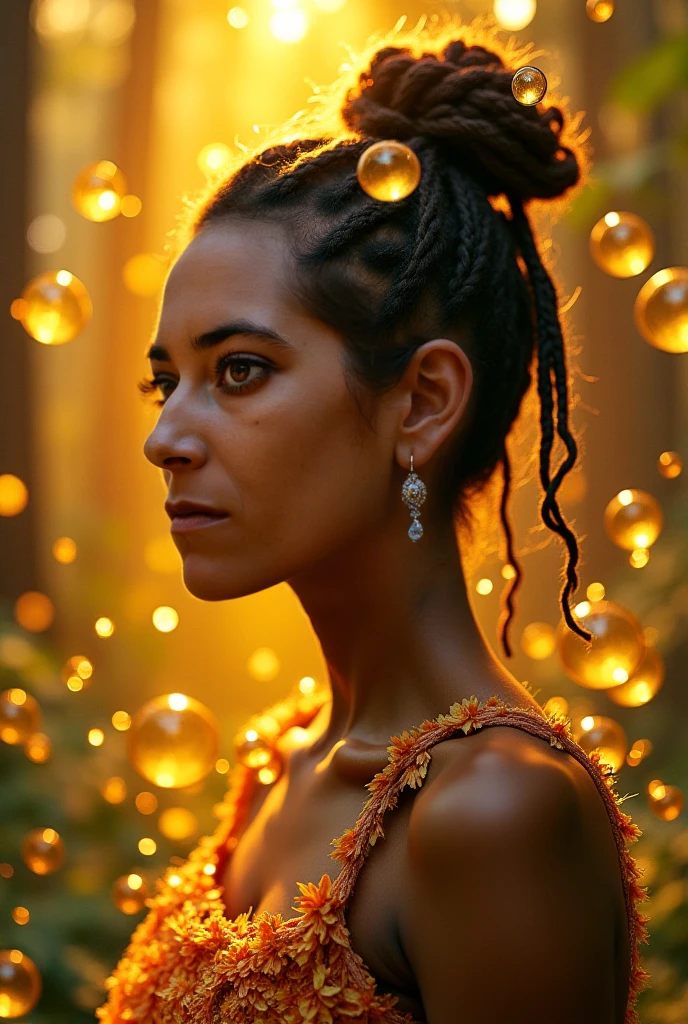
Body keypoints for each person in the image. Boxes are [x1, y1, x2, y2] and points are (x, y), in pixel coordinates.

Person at [97, 17, 651, 1024]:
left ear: (423, 403)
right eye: (165, 383)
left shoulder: (493, 811)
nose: (166, 437)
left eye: (240, 370)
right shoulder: (277, 763)